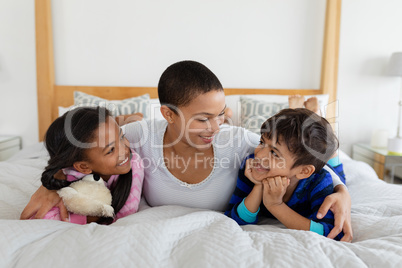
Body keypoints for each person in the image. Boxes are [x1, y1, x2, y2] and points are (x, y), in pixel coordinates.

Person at [20, 60, 352, 241]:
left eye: (220, 114)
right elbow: (82, 148)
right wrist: (51, 184)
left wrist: (341, 190)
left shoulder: (237, 141)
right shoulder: (137, 136)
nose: (215, 126)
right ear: (167, 113)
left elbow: (312, 154)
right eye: (203, 118)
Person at [225, 108, 346, 240]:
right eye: (262, 142)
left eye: (274, 153)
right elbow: (234, 218)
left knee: (339, 176)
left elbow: (330, 232)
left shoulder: (319, 182)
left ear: (303, 171)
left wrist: (276, 205)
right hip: (302, 165)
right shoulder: (252, 166)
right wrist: (258, 186)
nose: (259, 155)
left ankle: (331, 150)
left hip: (323, 170)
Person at [30, 107, 144, 224]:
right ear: (84, 167)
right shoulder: (70, 174)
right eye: (111, 150)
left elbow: (127, 212)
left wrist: (91, 218)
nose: (125, 150)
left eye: (121, 136)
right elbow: (37, 216)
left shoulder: (134, 163)